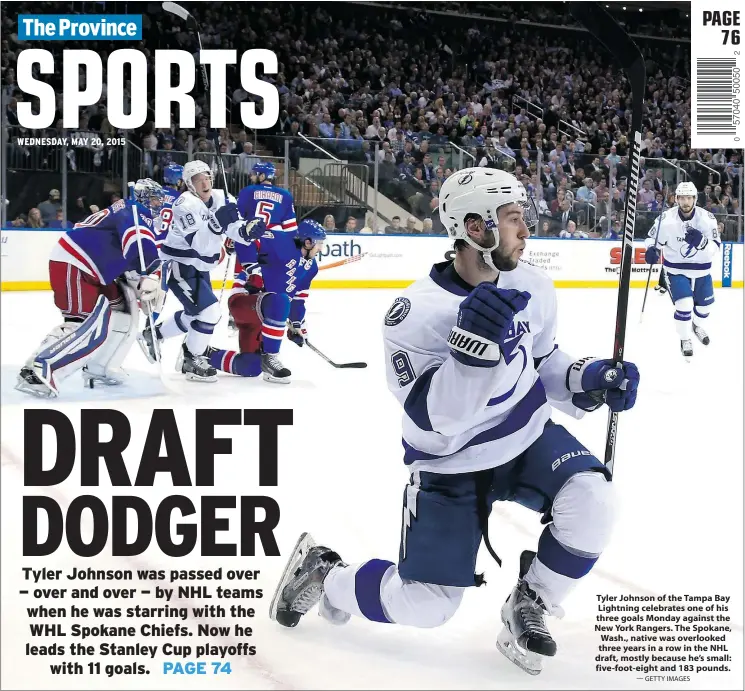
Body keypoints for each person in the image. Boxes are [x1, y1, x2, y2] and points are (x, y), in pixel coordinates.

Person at [269, 168, 640, 676]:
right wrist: (472, 353)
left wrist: (588, 378)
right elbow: (438, 417)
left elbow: (544, 359)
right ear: (476, 227)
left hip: (526, 436)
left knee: (595, 499)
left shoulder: (532, 284)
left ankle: (530, 601)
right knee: (426, 605)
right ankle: (326, 573)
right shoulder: (414, 314)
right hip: (451, 462)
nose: (526, 232)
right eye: (514, 220)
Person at [16, 179, 166, 397]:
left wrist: (145, 287)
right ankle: (39, 368)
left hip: (94, 271)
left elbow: (133, 259)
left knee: (123, 310)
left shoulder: (129, 212)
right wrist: (150, 273)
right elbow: (139, 246)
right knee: (82, 324)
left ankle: (101, 367)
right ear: (143, 198)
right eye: (154, 198)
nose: (158, 204)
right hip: (77, 263)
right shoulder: (134, 209)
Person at [138, 160, 263, 382]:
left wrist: (246, 232)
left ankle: (154, 333)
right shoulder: (184, 205)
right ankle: (192, 358)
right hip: (179, 263)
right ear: (189, 184)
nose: (204, 182)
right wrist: (217, 223)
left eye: (207, 177)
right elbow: (199, 244)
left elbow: (233, 228)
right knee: (210, 313)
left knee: (197, 314)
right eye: (198, 180)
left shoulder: (222, 197)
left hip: (201, 265)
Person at [205, 219, 326, 380]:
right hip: (245, 299)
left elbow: (298, 300)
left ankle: (199, 353)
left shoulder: (311, 267)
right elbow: (245, 240)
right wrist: (255, 272)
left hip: (266, 312)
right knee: (281, 301)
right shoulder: (281, 240)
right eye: (319, 244)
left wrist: (296, 325)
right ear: (308, 242)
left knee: (251, 367)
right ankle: (271, 357)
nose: (321, 248)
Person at [233, 161, 300, 381]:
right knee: (275, 294)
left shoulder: (248, 191)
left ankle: (239, 317)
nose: (252, 177)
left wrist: (231, 240)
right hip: (275, 250)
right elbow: (292, 232)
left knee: (246, 282)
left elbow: (236, 222)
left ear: (262, 175)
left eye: (255, 174)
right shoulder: (285, 195)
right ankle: (268, 345)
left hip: (250, 241)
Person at [644, 181, 720, 359]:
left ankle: (696, 326)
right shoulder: (666, 220)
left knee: (705, 307)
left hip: (702, 270)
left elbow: (716, 248)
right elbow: (651, 239)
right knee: (684, 305)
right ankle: (685, 338)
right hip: (675, 269)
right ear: (676, 199)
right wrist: (650, 249)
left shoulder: (707, 219)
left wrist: (702, 244)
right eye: (682, 198)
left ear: (695, 199)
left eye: (689, 198)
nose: (685, 202)